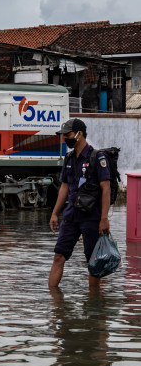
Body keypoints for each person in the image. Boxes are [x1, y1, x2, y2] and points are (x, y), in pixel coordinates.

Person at [48, 118, 111, 289]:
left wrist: (104, 219)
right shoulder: (69, 158)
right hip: (71, 215)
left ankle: (93, 306)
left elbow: (106, 188)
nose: (65, 139)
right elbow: (64, 187)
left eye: (67, 135)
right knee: (59, 256)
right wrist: (54, 213)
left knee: (93, 262)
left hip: (91, 217)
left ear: (79, 134)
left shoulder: (97, 157)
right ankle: (54, 305)